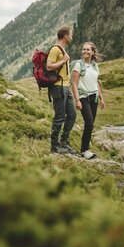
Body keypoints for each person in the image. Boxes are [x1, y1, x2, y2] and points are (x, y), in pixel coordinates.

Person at [71, 41, 105, 159]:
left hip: (94, 97)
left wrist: (101, 98)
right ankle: (84, 150)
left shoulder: (95, 66)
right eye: (84, 49)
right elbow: (74, 84)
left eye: (88, 49)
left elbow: (96, 83)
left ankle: (85, 149)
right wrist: (77, 100)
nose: (85, 51)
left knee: (90, 125)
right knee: (89, 123)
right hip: (83, 97)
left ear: (92, 52)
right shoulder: (78, 65)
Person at [46, 25, 77, 154]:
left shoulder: (62, 49)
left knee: (72, 114)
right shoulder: (55, 49)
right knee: (59, 117)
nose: (71, 36)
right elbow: (48, 66)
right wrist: (64, 60)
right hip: (58, 87)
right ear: (65, 36)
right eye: (70, 34)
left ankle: (64, 142)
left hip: (65, 87)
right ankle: (54, 145)